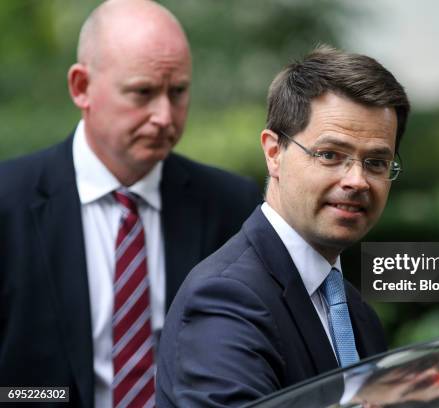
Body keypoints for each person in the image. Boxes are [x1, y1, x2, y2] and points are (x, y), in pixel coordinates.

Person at [0, 1, 260, 407]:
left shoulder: (231, 205)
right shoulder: (8, 203)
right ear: (81, 88)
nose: (163, 115)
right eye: (142, 92)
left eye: (178, 92)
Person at [157, 45, 411, 407]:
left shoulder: (357, 313)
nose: (357, 180)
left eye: (376, 162)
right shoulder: (225, 299)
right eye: (330, 155)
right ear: (274, 153)